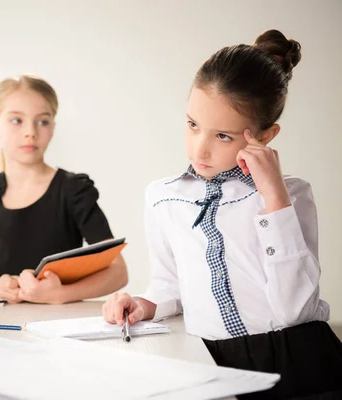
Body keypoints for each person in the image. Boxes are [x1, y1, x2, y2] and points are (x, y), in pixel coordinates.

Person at [102, 30, 342, 399]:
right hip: (209, 360)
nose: (201, 148)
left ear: (266, 135)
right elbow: (170, 284)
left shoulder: (291, 193)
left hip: (297, 361)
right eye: (193, 124)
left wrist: (273, 195)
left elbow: (296, 310)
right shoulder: (162, 197)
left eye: (224, 136)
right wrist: (143, 305)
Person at [0, 74, 128, 304]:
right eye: (17, 120)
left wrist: (60, 295)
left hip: (63, 327)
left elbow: (119, 272)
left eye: (42, 121)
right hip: (4, 329)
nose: (31, 131)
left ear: (53, 128)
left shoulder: (74, 191)